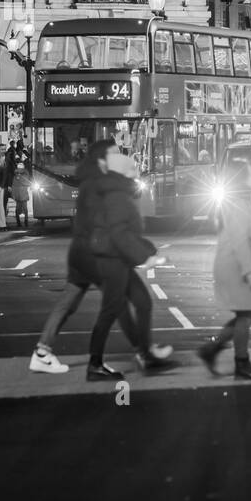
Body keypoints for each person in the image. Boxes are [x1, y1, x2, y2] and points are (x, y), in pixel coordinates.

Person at [82, 149, 171, 381]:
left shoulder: (116, 193)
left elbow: (124, 232)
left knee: (142, 302)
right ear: (124, 174)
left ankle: (144, 352)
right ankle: (95, 363)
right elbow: (121, 235)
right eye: (133, 170)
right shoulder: (117, 197)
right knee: (110, 310)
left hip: (115, 258)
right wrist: (146, 256)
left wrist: (147, 250)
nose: (137, 174)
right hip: (112, 261)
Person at [199, 159, 251, 380]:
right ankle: (241, 363)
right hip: (236, 265)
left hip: (234, 262)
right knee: (245, 315)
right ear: (241, 176)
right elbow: (239, 239)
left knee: (247, 314)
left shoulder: (240, 199)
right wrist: (249, 270)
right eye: (249, 173)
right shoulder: (240, 201)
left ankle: (212, 350)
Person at [10, 160, 31, 228]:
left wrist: (13, 195)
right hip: (23, 193)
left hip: (18, 194)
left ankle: (19, 222)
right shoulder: (26, 174)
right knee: (25, 209)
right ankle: (25, 221)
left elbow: (13, 185)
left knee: (18, 208)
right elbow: (27, 183)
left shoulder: (16, 176)